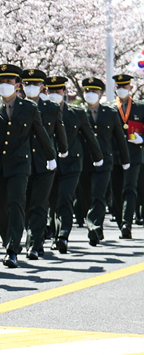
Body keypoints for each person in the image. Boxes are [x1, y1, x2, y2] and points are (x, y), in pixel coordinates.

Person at [0, 63, 55, 268]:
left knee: (16, 204)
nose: (3, 85)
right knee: (0, 206)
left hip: (19, 165)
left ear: (17, 85)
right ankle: (8, 240)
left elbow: (41, 134)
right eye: (0, 81)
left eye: (8, 81)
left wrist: (50, 156)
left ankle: (12, 248)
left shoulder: (29, 108)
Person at [49, 75, 102, 253]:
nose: (53, 93)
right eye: (50, 90)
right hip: (49, 163)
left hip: (72, 163)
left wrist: (98, 157)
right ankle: (55, 234)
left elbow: (89, 136)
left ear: (64, 92)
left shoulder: (77, 113)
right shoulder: (41, 111)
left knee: (65, 198)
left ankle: (63, 235)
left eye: (57, 90)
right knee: (53, 201)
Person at [22, 69, 67, 258]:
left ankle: (35, 243)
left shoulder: (51, 107)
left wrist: (61, 152)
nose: (31, 87)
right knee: (23, 204)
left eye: (35, 84)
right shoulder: (17, 106)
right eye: (27, 84)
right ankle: (30, 238)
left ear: (42, 86)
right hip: (21, 162)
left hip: (44, 162)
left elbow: (59, 132)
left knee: (39, 204)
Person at [80, 78, 128, 247]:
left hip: (105, 161)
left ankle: (94, 226)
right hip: (84, 161)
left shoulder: (110, 113)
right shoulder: (78, 113)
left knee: (98, 195)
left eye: (94, 91)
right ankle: (96, 227)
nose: (90, 94)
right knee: (86, 197)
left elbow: (119, 139)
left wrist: (125, 160)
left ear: (100, 94)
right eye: (87, 91)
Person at [112, 74, 144, 237]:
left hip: (134, 154)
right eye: (119, 87)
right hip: (116, 155)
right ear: (115, 88)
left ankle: (127, 224)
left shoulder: (140, 107)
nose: (122, 90)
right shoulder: (110, 108)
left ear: (131, 88)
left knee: (129, 189)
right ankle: (120, 221)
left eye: (125, 87)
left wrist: (142, 139)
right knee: (116, 190)